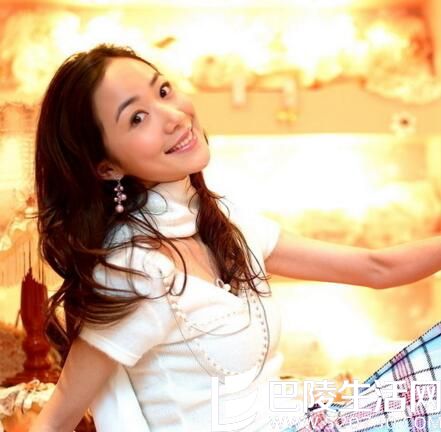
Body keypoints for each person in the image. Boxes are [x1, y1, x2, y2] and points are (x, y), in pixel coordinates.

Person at [30, 44, 441, 432]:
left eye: (164, 91)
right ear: (106, 167)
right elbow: (57, 417)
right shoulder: (133, 270)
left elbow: (376, 268)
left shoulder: (225, 225)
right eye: (137, 118)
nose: (172, 116)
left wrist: (327, 397)